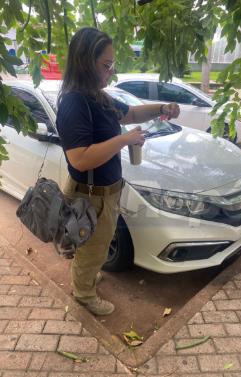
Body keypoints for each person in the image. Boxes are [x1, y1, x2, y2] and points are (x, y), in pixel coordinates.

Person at [56, 27, 180, 316]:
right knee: (92, 247)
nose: (111, 70)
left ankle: (85, 278)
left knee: (95, 245)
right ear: (86, 61)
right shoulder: (75, 102)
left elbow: (132, 114)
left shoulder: (97, 96)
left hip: (106, 192)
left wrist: (162, 106)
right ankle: (84, 294)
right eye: (106, 64)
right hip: (91, 195)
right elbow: (80, 159)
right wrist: (125, 139)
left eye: (113, 64)